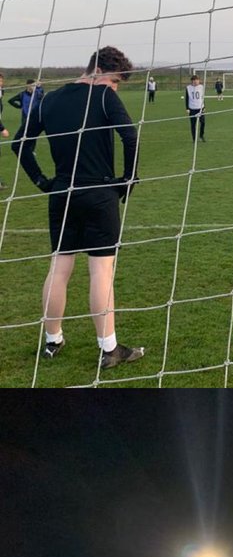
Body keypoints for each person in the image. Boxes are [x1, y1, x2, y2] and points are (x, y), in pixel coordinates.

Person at [13, 46, 142, 369]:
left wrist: (43, 181)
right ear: (98, 71)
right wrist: (128, 179)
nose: (114, 89)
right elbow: (130, 137)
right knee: (100, 270)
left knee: (59, 268)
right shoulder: (102, 96)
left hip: (62, 193)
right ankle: (109, 349)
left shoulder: (49, 100)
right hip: (98, 193)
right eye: (113, 81)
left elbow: (19, 145)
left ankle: (52, 340)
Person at [184, 75, 206, 143]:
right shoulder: (188, 88)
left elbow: (202, 97)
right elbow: (187, 98)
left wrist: (204, 106)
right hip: (192, 109)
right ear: (192, 81)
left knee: (203, 123)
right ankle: (194, 139)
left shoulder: (201, 87)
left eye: (197, 80)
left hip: (200, 108)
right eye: (194, 80)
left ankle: (201, 135)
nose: (196, 81)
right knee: (193, 125)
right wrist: (187, 108)